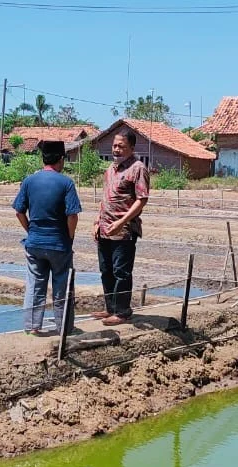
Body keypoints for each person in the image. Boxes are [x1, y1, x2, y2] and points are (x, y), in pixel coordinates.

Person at [12, 140, 82, 336]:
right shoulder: (66, 183)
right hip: (59, 244)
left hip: (34, 243)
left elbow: (19, 211)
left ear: (43, 159)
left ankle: (33, 326)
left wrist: (30, 231)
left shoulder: (29, 181)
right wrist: (69, 237)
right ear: (61, 159)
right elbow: (73, 215)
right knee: (62, 286)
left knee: (35, 285)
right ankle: (64, 329)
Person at [93, 129, 149, 326]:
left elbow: (141, 200)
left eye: (121, 146)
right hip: (105, 228)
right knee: (106, 270)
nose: (116, 149)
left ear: (131, 147)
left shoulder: (137, 168)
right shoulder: (110, 169)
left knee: (121, 272)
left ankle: (123, 312)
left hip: (123, 230)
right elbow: (106, 198)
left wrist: (121, 222)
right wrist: (97, 221)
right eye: (114, 146)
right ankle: (110, 308)